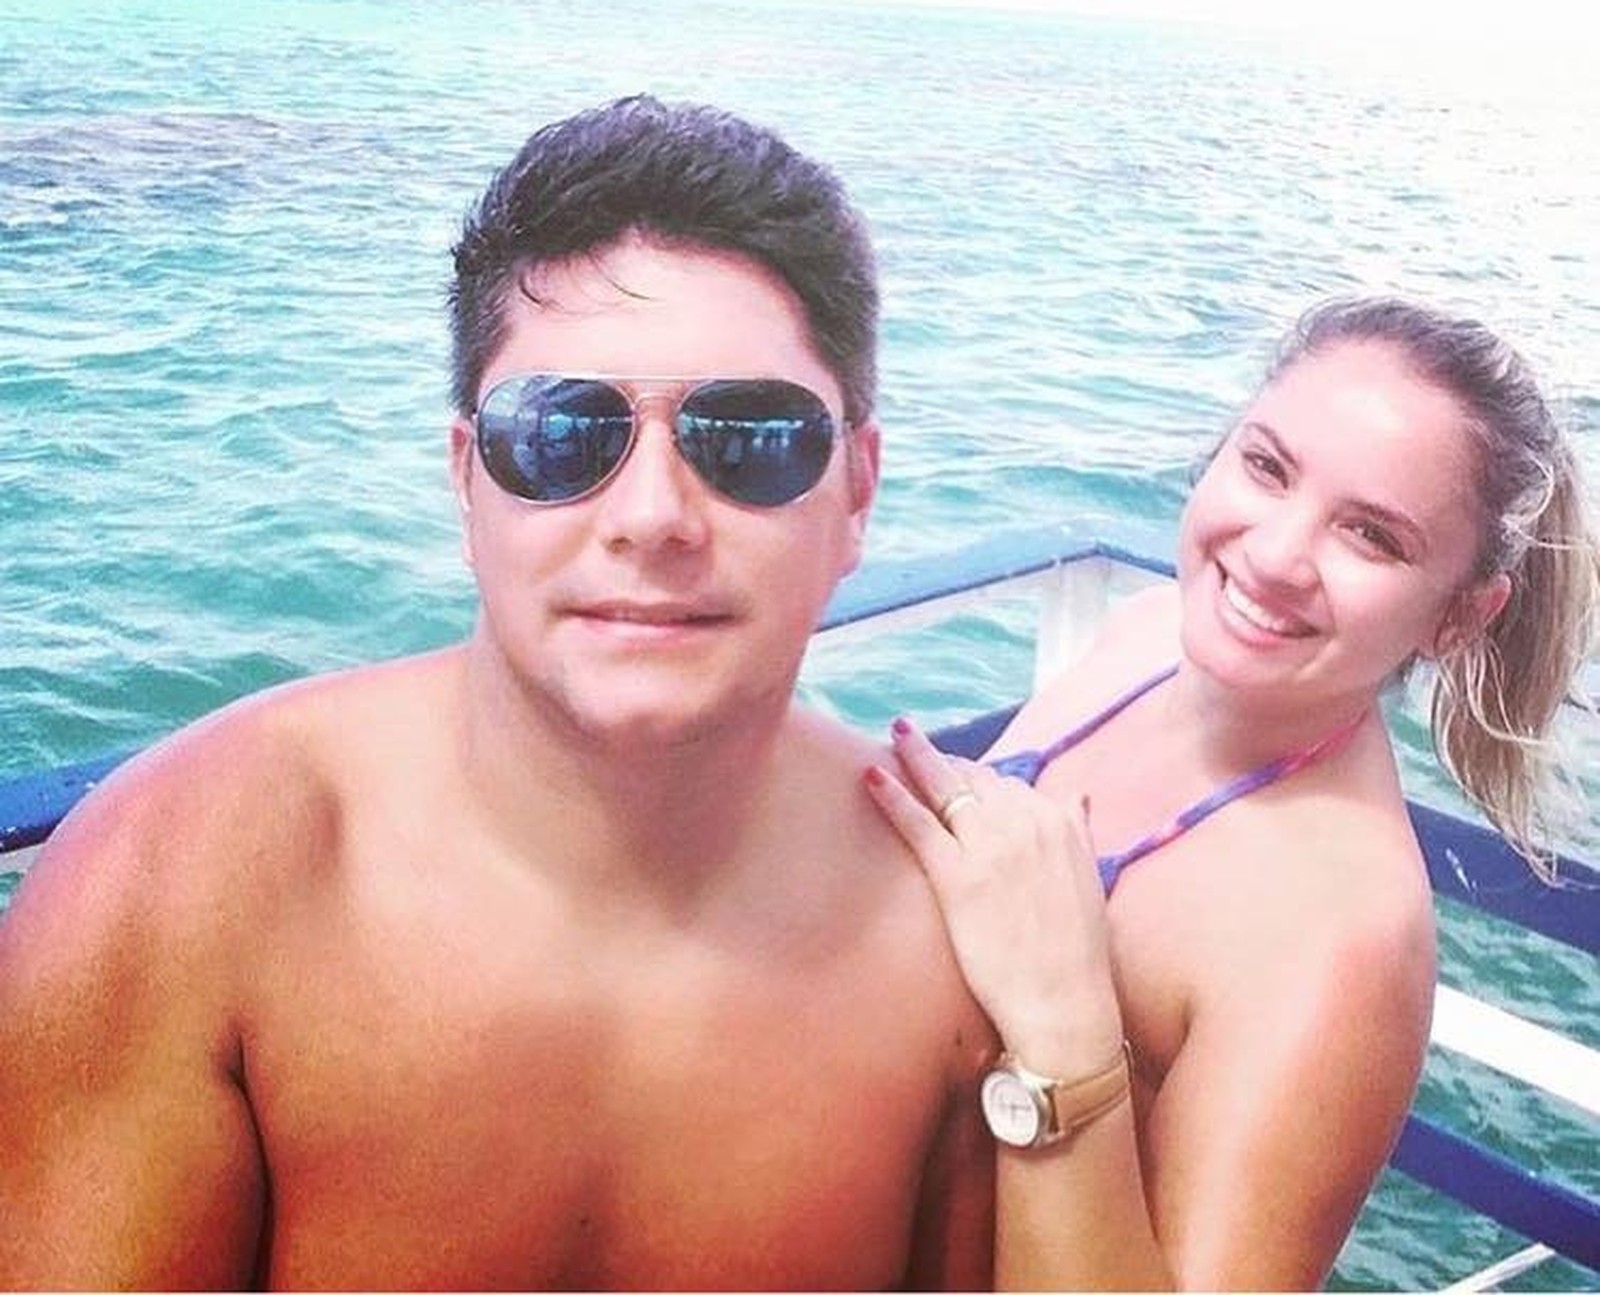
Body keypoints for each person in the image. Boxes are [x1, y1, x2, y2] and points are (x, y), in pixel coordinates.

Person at [0, 96, 997, 1289]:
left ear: (857, 492)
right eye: (561, 434)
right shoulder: (183, 883)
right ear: (468, 480)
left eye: (749, 437)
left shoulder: (959, 932)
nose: (651, 517)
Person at [866, 296, 1600, 1288]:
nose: (1273, 555)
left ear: (1459, 617)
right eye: (1266, 466)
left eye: (1371, 536)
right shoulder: (1146, 633)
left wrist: (1063, 1015)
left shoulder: (1342, 938)